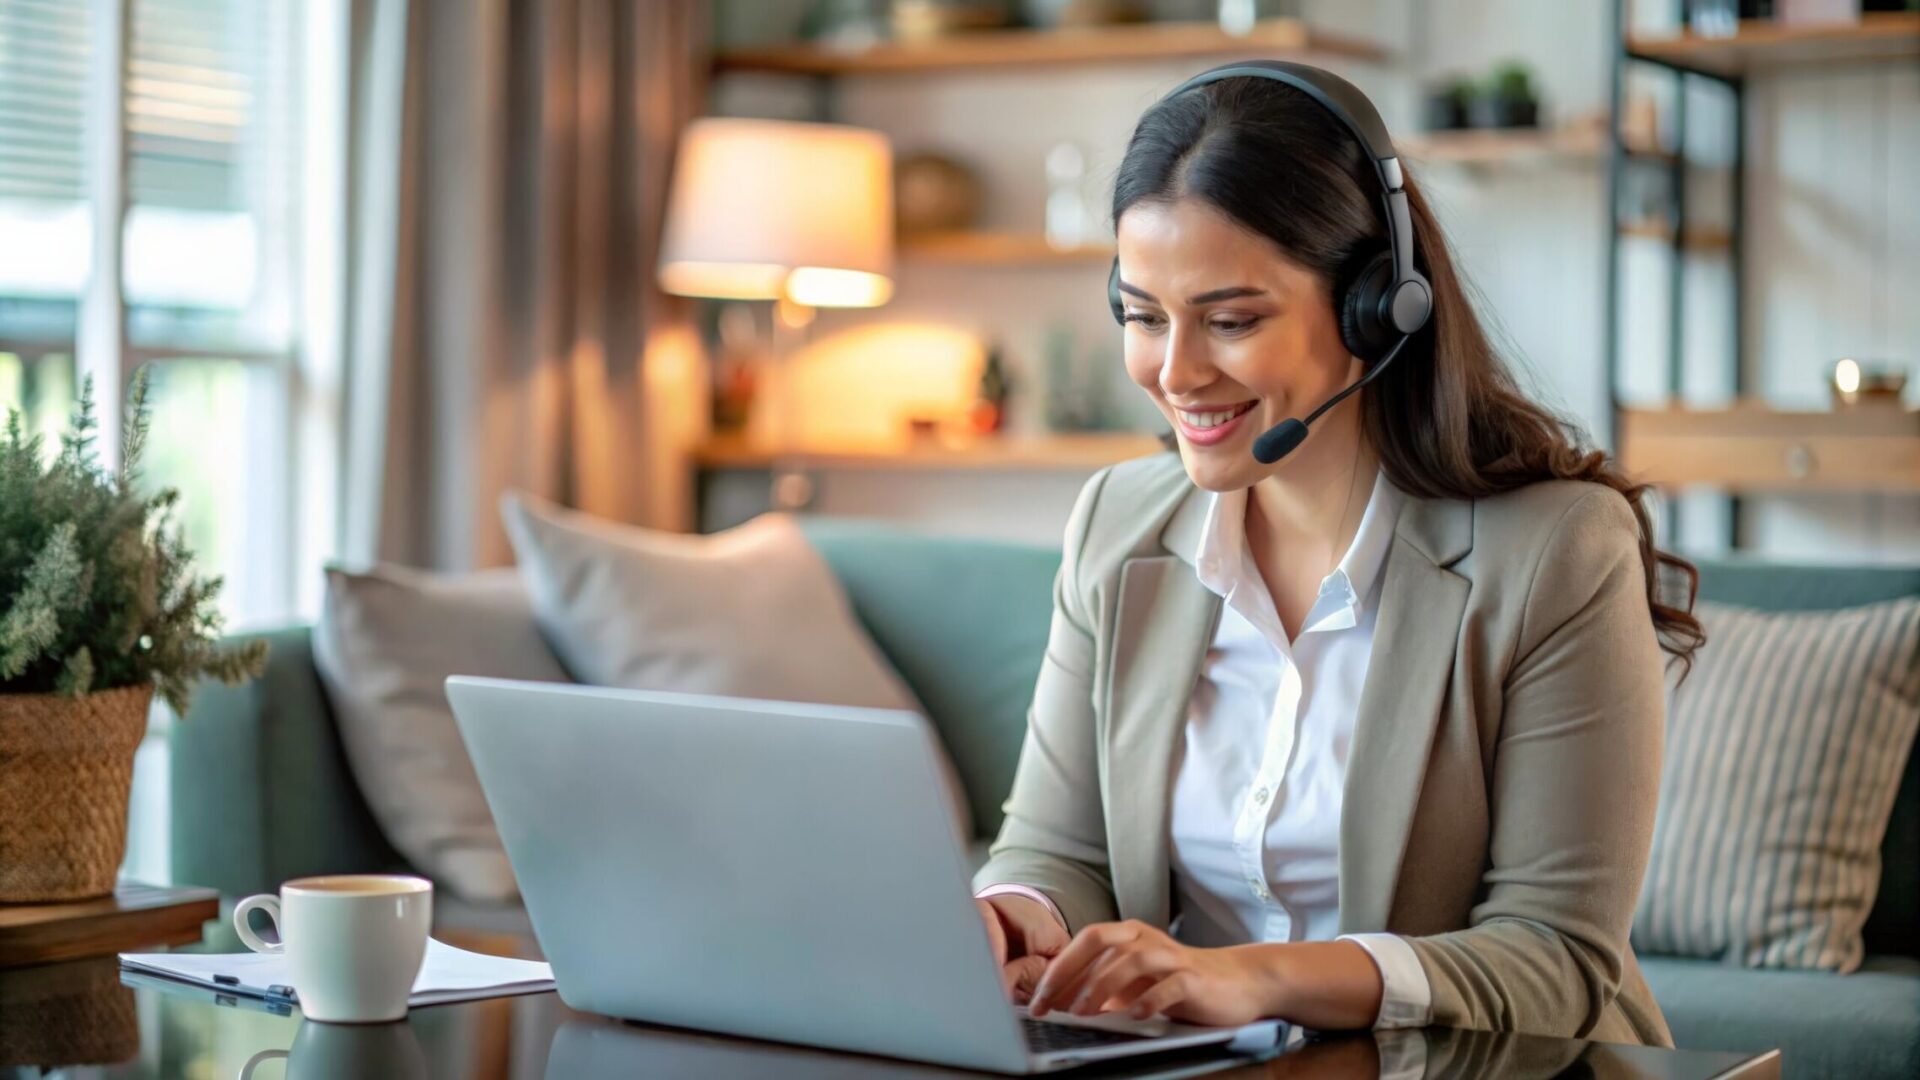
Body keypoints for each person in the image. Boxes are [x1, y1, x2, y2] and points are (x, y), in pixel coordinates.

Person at [970, 66, 1703, 1046]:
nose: (1176, 372)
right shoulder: (1117, 523)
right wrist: (1013, 914)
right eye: (1143, 316)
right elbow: (1056, 846)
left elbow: (1555, 955)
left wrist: (1253, 978)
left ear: (1376, 309)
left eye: (1230, 321)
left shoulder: (1557, 553)